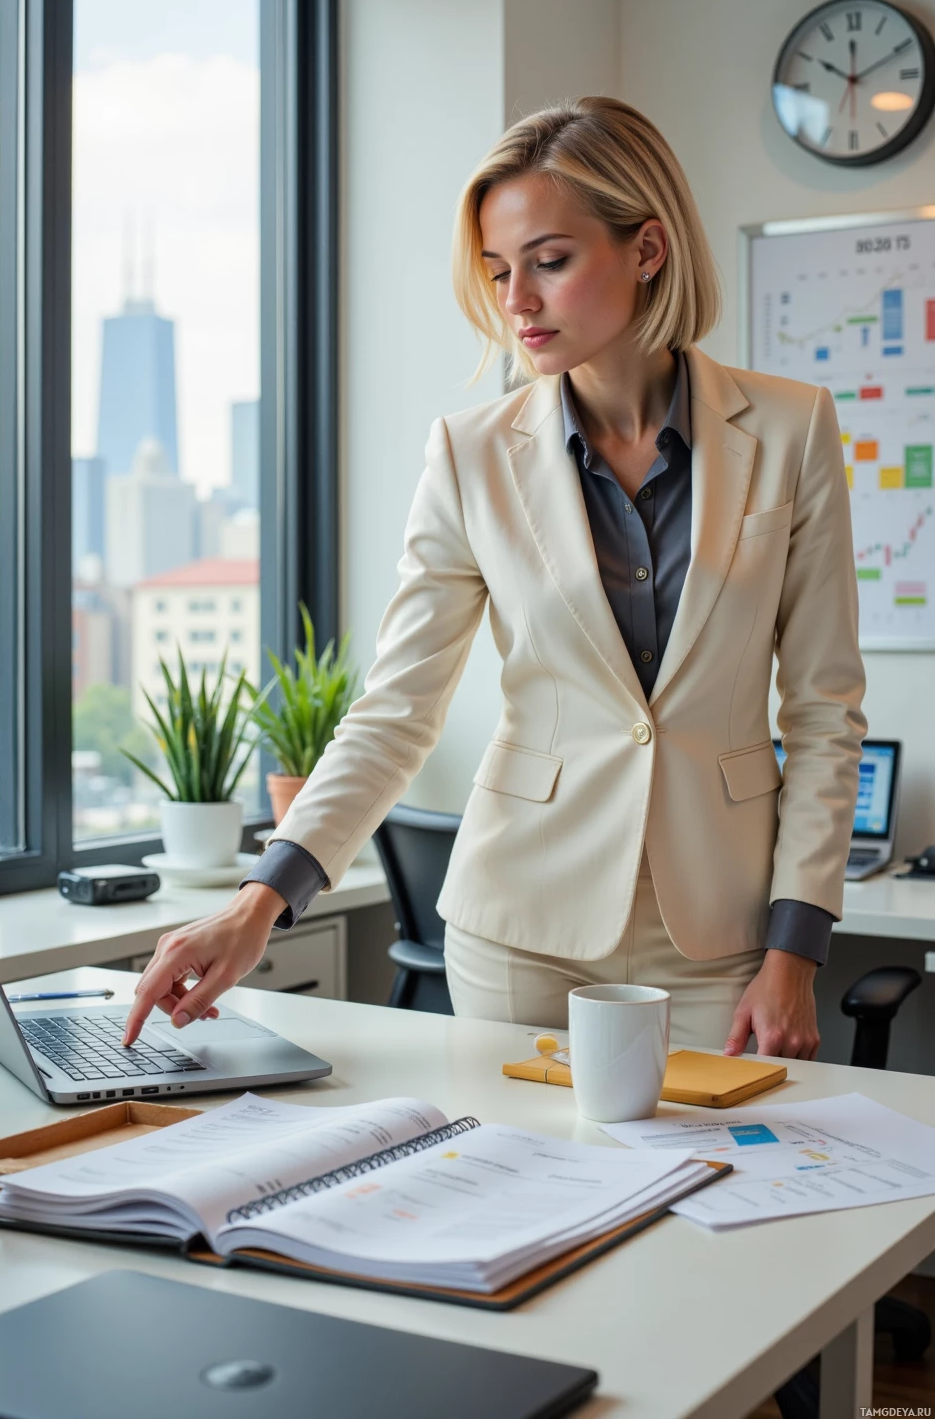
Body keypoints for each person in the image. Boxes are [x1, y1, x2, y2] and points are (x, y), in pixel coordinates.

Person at [123, 97, 865, 1060]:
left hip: (720, 941)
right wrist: (258, 903)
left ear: (647, 249)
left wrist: (794, 953)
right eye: (498, 271)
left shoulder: (791, 428)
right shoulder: (469, 455)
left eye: (549, 262)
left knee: (723, 1192)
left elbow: (823, 713)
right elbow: (395, 713)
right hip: (520, 934)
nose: (517, 301)